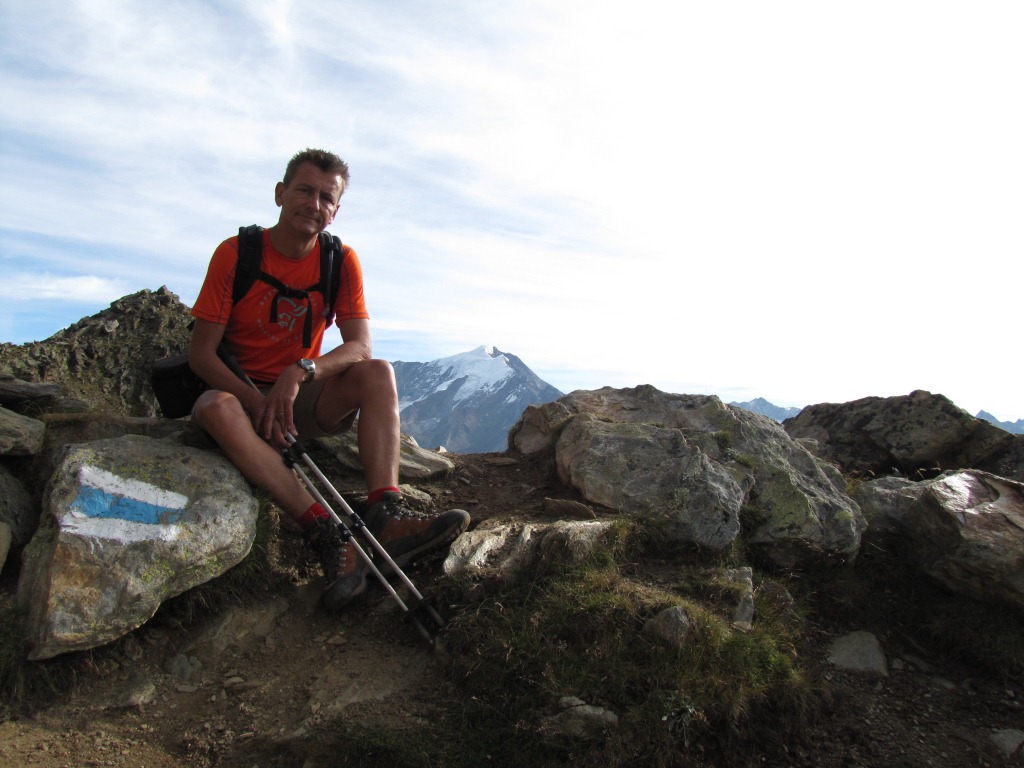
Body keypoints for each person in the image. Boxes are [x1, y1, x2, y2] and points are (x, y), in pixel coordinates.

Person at [188, 148, 470, 611]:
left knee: (378, 373)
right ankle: (327, 533)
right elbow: (201, 355)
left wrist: (302, 371)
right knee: (215, 407)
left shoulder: (339, 260)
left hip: (299, 395)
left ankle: (385, 515)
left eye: (326, 197)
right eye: (304, 190)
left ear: (336, 211)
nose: (314, 204)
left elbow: (361, 347)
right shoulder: (236, 254)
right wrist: (257, 402)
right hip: (238, 398)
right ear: (280, 194)